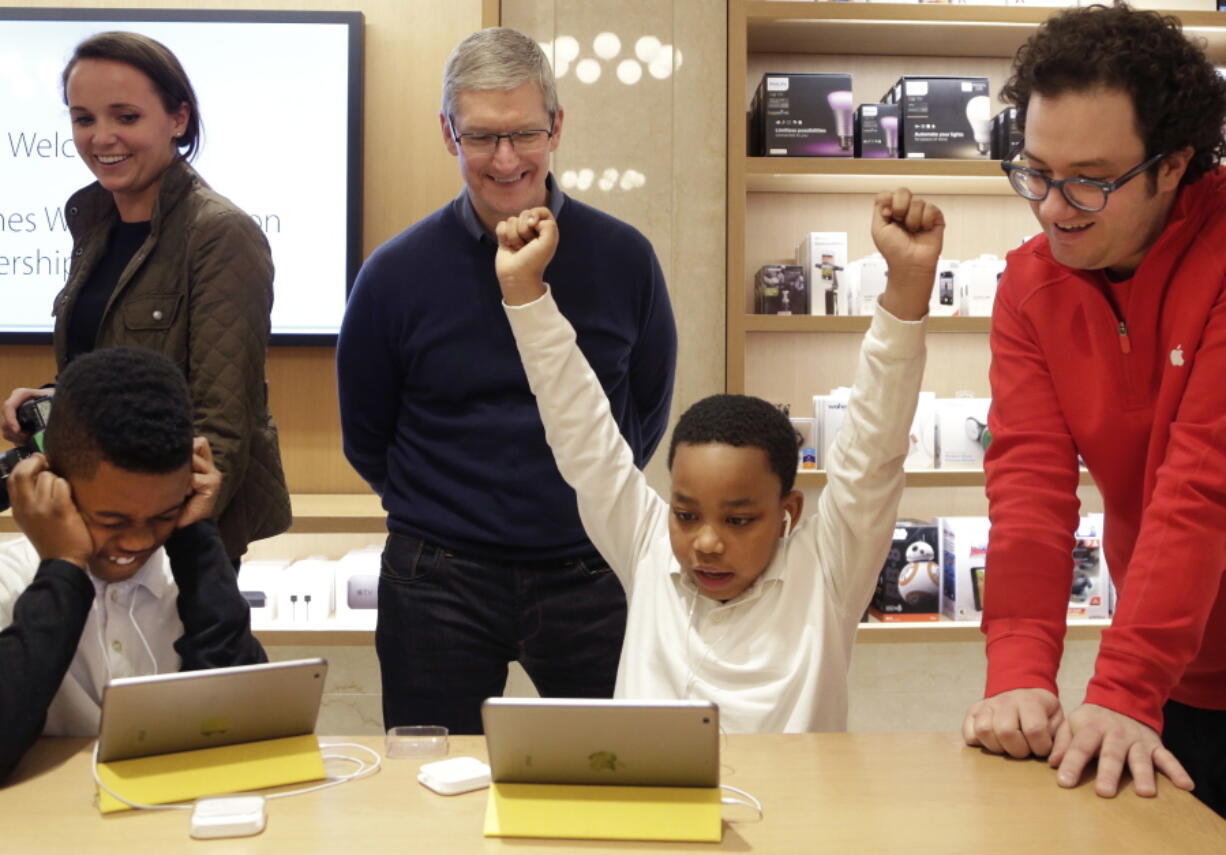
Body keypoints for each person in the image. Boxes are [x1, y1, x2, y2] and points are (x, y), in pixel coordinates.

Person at [491, 188, 940, 732]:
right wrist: (523, 290)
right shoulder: (649, 549)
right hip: (657, 817)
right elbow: (580, 430)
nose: (705, 542)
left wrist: (909, 285)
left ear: (788, 512)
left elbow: (874, 446)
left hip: (796, 816)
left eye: (739, 519)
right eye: (686, 514)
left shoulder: (827, 570)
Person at [336, 27, 677, 734]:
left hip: (593, 567)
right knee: (433, 789)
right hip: (437, 578)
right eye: (482, 137)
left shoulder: (625, 259)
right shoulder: (394, 275)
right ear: (447, 133)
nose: (505, 159)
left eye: (524, 133)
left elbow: (645, 409)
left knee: (614, 777)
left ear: (556, 126)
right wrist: (447, 510)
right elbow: (367, 434)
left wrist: (587, 506)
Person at [961, 4, 1226, 817]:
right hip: (1183, 672)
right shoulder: (1029, 286)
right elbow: (1032, 485)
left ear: (1175, 163)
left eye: (1090, 179)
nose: (1051, 206)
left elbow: (1204, 486)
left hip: (1153, 666)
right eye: (1034, 170)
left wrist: (1123, 683)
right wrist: (1017, 669)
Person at [1, 31, 290, 563]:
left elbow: (222, 426)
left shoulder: (219, 232)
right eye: (83, 118)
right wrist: (52, 401)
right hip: (95, 518)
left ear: (178, 119)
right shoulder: (95, 222)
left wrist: (149, 539)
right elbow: (117, 373)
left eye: (125, 117)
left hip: (167, 535)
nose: (101, 137)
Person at [0, 347, 266, 781]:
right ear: (51, 486)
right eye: (110, 519)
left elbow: (243, 728)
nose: (138, 541)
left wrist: (196, 542)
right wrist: (63, 568)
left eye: (163, 516)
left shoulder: (190, 574)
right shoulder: (8, 581)